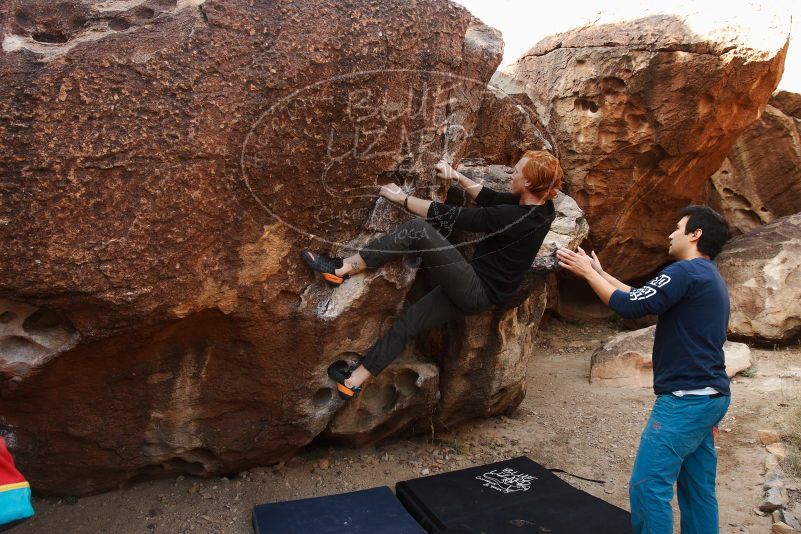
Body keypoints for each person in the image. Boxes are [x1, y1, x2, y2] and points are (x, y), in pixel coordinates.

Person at [300, 150, 563, 400]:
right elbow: (491, 199)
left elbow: (453, 216)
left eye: (516, 171)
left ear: (528, 181)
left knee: (418, 230)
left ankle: (344, 267)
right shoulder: (541, 209)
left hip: (475, 287)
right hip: (478, 290)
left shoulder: (514, 216)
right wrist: (457, 176)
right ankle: (354, 380)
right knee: (410, 321)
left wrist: (398, 197)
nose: (512, 175)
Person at [556, 206, 731, 534]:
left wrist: (587, 273)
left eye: (678, 227)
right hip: (711, 397)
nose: (670, 233)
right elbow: (641, 296)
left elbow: (629, 306)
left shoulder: (685, 272)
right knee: (698, 489)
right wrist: (600, 272)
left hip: (685, 401)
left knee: (648, 486)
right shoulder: (707, 276)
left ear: (695, 235)